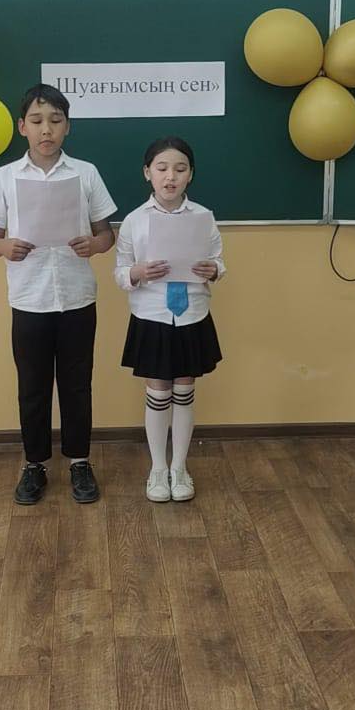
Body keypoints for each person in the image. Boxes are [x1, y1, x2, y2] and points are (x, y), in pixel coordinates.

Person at [0, 83, 117, 506]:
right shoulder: (6, 177)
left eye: (56, 121)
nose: (46, 130)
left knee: (77, 385)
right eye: (37, 121)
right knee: (32, 386)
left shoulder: (85, 173)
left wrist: (95, 245)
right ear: (22, 126)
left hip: (77, 297)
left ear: (67, 126)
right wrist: (5, 247)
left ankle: (80, 462)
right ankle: (34, 464)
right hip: (29, 299)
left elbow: (106, 233)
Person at [115, 137, 224, 502]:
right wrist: (138, 272)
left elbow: (218, 261)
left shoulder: (203, 217)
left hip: (191, 314)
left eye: (180, 169)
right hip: (152, 315)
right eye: (162, 168)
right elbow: (120, 272)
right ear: (147, 173)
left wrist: (214, 270)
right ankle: (158, 469)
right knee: (158, 391)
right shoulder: (134, 220)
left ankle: (179, 467)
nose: (170, 176)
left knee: (184, 390)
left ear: (190, 174)